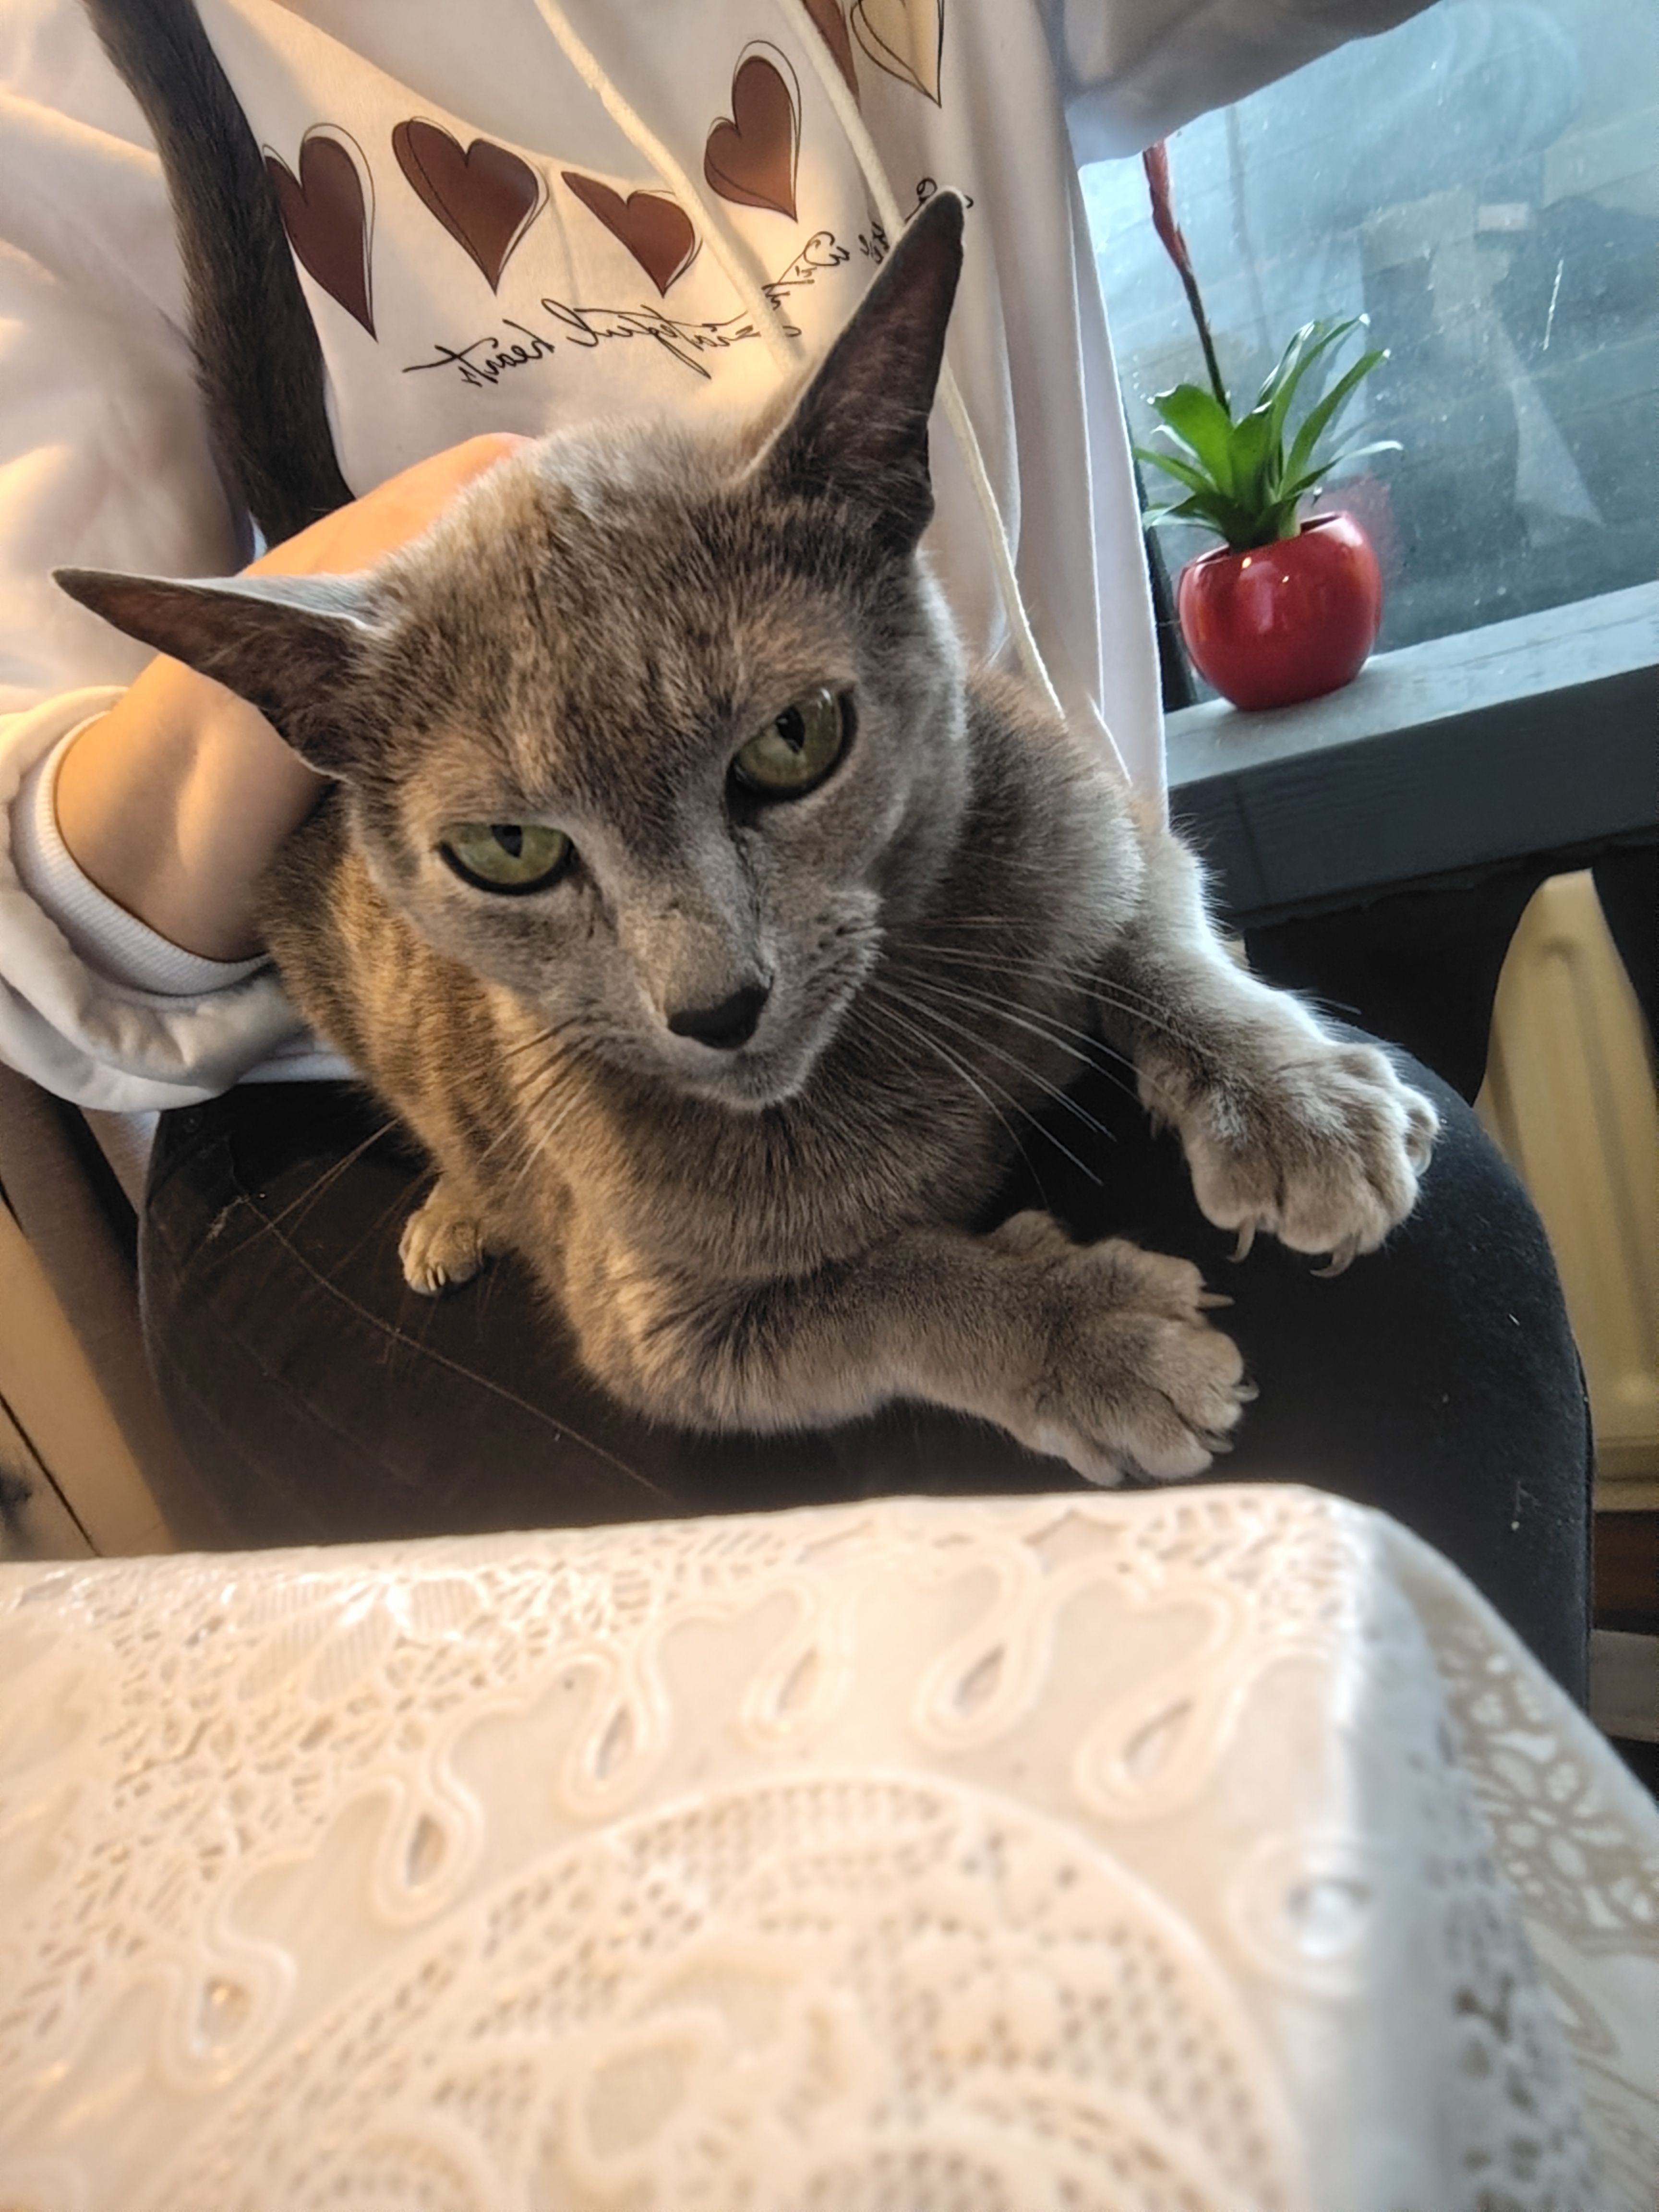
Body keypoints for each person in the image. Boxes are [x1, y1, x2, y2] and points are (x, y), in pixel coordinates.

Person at [0, 0, 1591, 1693]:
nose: (704, 980)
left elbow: (1121, 873)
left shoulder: (994, 772)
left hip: (910, 881)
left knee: (1421, 1304)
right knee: (858, 1633)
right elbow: (679, 1336)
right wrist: (964, 1314)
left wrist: (1199, 1012)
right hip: (312, 1117)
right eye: (522, 859)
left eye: (784, 751)